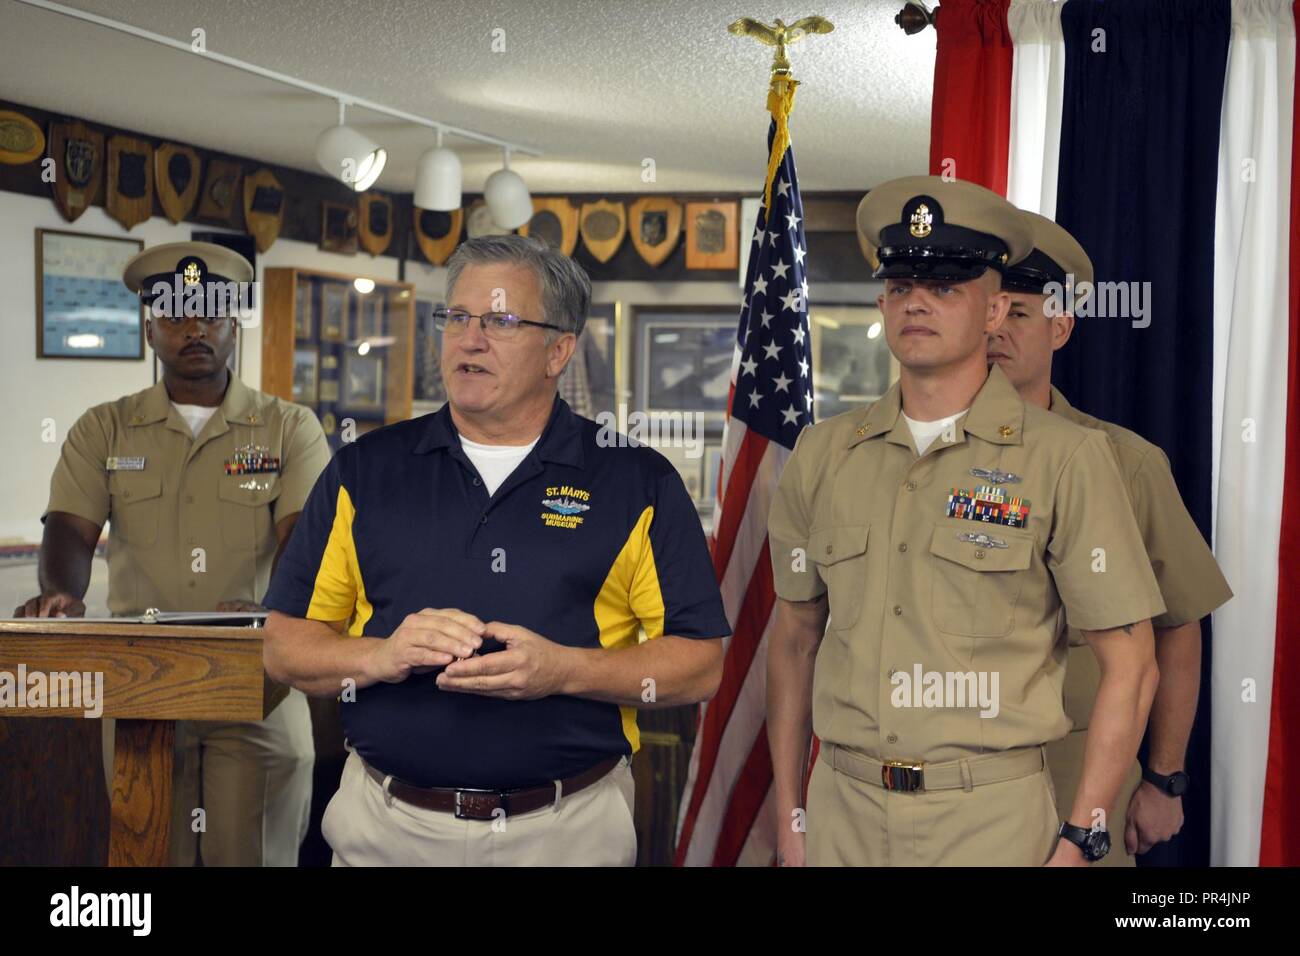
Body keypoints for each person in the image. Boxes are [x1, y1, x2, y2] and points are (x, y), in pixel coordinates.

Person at [261, 235, 728, 867]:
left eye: (501, 321)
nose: (469, 339)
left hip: (566, 833)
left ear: (559, 350)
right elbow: (285, 646)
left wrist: (564, 671)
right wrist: (383, 654)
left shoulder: (636, 480)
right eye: (457, 317)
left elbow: (699, 664)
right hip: (386, 828)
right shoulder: (363, 471)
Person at [767, 175, 1165, 866]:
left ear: (994, 311)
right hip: (843, 809)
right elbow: (794, 641)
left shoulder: (1065, 458)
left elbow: (1131, 666)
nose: (916, 301)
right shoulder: (823, 453)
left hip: (989, 819)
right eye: (900, 285)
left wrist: (1081, 838)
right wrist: (790, 815)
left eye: (946, 286)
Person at [16, 241, 329, 866]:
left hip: (256, 682)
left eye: (210, 313)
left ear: (233, 323)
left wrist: (268, 609)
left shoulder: (288, 428)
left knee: (250, 859)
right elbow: (71, 532)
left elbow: (307, 542)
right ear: (150, 326)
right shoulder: (104, 428)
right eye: (177, 313)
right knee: (150, 859)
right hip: (144, 688)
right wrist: (62, 592)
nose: (195, 328)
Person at [991, 211, 1233, 864]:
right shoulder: (909, 459)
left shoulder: (1125, 463)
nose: (996, 331)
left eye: (1019, 313)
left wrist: (1163, 779)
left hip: (1076, 767)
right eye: (987, 310)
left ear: (1061, 327)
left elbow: (1179, 626)